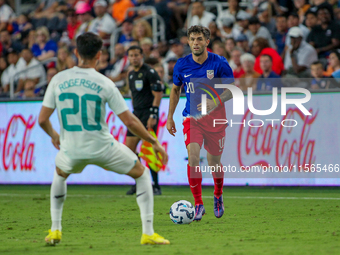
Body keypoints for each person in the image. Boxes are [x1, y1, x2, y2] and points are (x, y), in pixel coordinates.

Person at [39, 32, 169, 245]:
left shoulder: (57, 80)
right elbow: (130, 122)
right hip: (103, 147)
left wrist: (55, 136)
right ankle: (148, 233)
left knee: (60, 174)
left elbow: (42, 119)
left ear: (76, 52)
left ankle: (55, 230)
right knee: (142, 174)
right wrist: (153, 142)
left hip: (71, 149)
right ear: (99, 55)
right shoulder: (105, 82)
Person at [167, 25, 234, 221]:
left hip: (216, 120)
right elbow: (174, 90)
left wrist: (215, 101)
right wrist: (170, 116)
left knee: (214, 162)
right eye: (192, 39)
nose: (195, 43)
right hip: (192, 118)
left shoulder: (219, 63)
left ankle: (218, 194)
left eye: (199, 39)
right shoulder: (181, 64)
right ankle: (198, 203)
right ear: (188, 42)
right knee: (193, 157)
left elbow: (232, 90)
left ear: (207, 42)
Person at [125, 45, 164, 196]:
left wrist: (153, 115)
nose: (134, 58)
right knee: (129, 150)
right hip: (136, 114)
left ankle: (156, 185)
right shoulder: (130, 74)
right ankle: (139, 182)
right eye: (131, 55)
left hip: (148, 113)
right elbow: (134, 95)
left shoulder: (150, 72)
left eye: (136, 55)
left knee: (150, 149)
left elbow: (158, 94)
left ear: (142, 56)